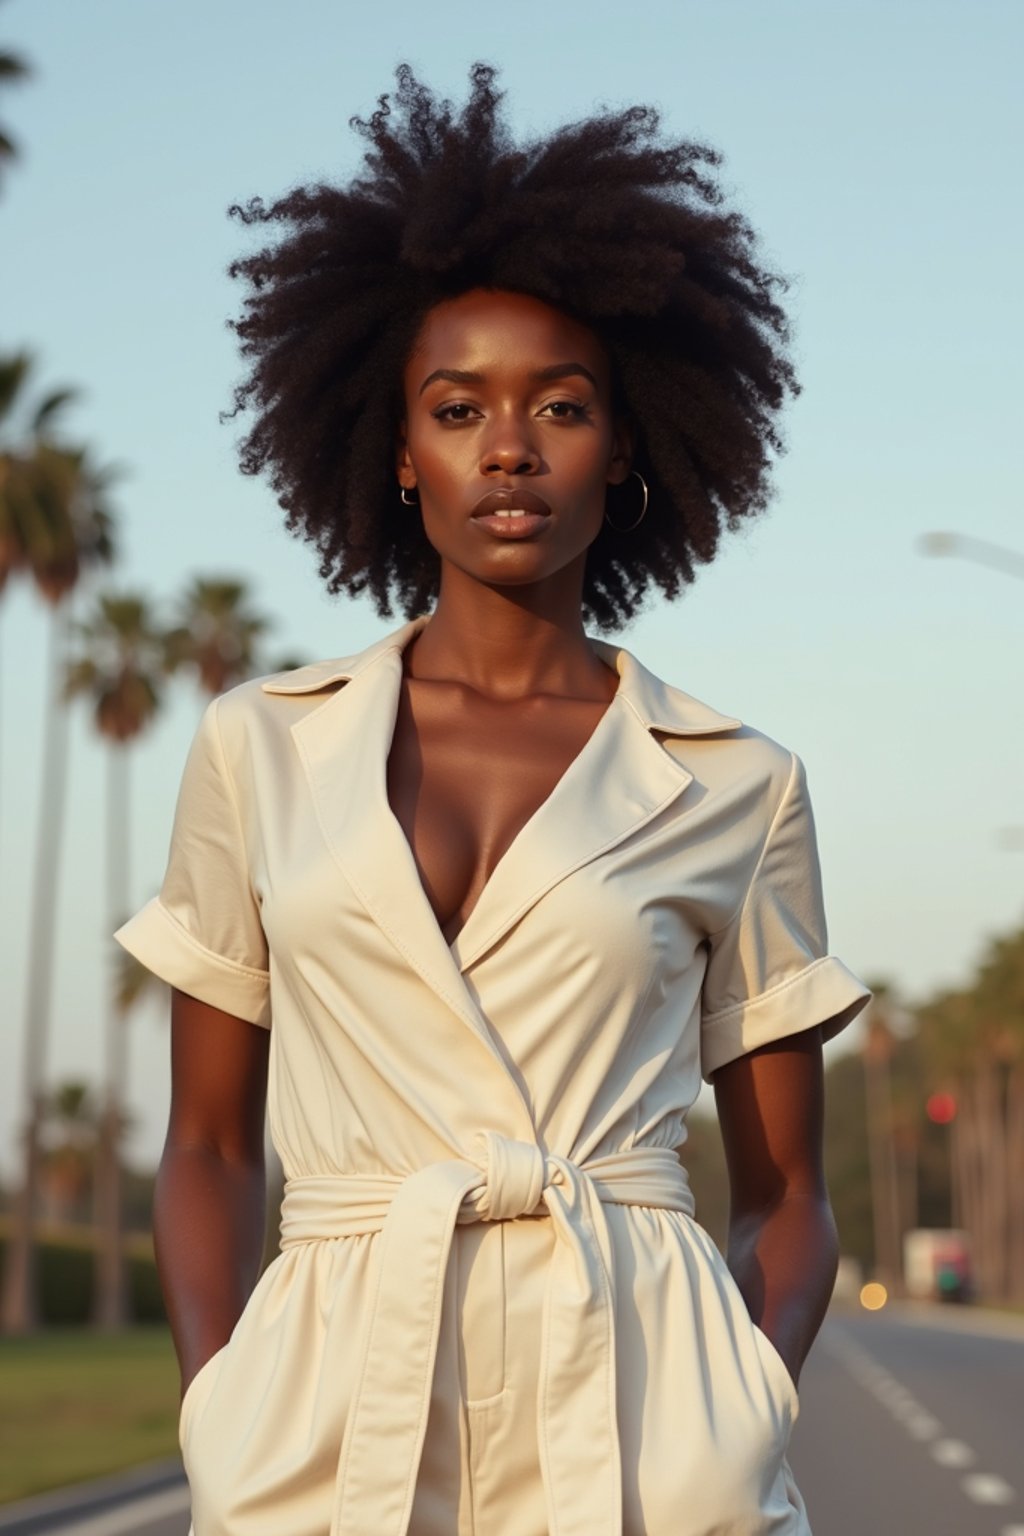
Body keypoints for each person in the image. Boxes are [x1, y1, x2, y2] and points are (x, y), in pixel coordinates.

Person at [115, 63, 870, 1536]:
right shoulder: (260, 748)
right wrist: (224, 1405)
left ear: (631, 443)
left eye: (562, 407)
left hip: (645, 1420)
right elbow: (207, 1144)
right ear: (398, 451)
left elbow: (787, 1193)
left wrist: (742, 1406)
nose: (509, 449)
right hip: (327, 1426)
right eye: (458, 409)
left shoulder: (738, 784)